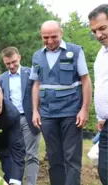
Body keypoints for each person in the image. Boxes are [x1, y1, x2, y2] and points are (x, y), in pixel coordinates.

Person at [30, 20, 92, 185]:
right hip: (47, 114)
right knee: (54, 157)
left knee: (72, 158)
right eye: (45, 37)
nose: (50, 41)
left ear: (61, 33)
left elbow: (85, 81)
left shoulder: (75, 51)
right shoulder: (37, 56)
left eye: (53, 37)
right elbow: (36, 84)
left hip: (71, 112)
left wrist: (84, 109)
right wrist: (35, 111)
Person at [0, 47, 40, 185]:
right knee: (14, 155)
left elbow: (39, 93)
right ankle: (16, 182)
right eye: (8, 64)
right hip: (10, 122)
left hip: (29, 118)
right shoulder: (1, 79)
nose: (11, 66)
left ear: (19, 58)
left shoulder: (30, 74)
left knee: (31, 154)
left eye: (14, 62)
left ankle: (31, 183)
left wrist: (37, 113)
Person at [88, 4, 108, 184]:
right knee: (104, 170)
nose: (98, 35)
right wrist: (101, 116)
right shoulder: (101, 54)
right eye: (94, 31)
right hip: (107, 124)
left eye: (102, 28)